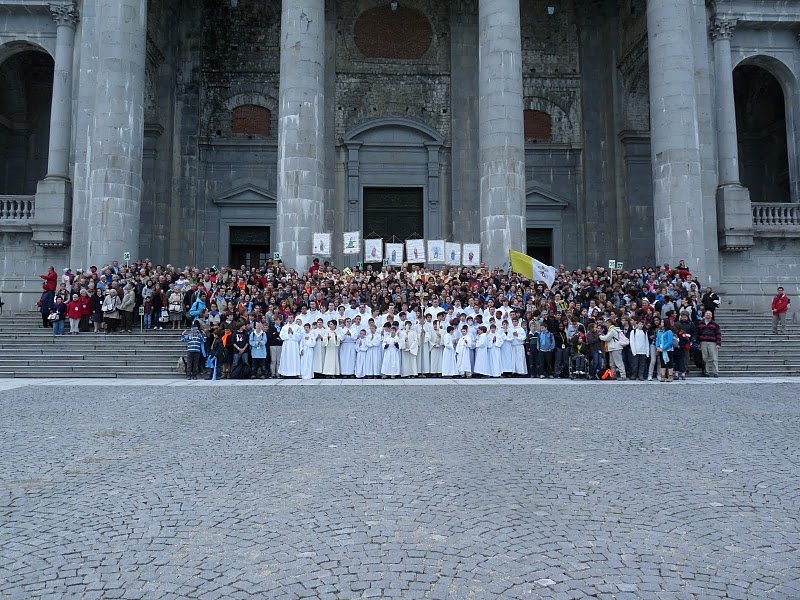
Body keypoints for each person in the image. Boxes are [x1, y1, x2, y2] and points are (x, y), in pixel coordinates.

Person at [696, 310, 721, 377]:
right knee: (705, 358)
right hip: (703, 342)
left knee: (714, 358)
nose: (708, 315)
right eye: (707, 313)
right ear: (704, 315)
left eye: (709, 314)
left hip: (712, 342)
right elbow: (698, 334)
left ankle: (715, 372)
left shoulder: (715, 324)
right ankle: (707, 372)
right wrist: (698, 343)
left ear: (711, 315)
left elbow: (718, 334)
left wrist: (718, 343)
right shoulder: (700, 323)